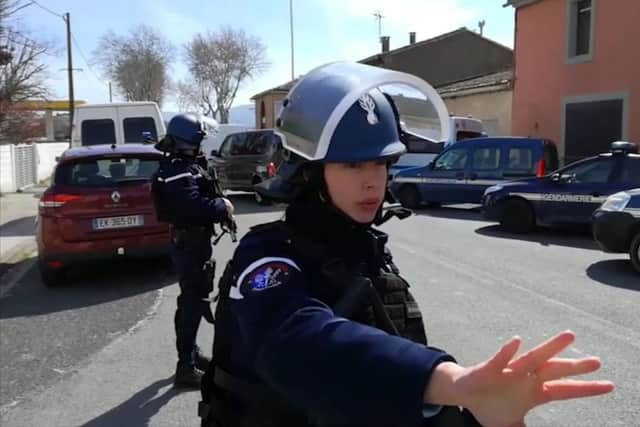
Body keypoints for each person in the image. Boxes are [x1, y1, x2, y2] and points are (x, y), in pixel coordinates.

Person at [198, 63, 614, 426]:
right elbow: (294, 342)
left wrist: (475, 413)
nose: (372, 180)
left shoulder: (366, 249)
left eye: (381, 162)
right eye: (353, 163)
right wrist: (453, 382)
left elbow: (389, 385)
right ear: (309, 171)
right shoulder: (268, 254)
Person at [151, 113, 235, 388]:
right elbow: (193, 207)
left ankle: (189, 353)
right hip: (189, 242)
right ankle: (184, 367)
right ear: (188, 141)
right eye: (199, 139)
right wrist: (222, 207)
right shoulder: (178, 170)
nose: (202, 144)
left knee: (193, 299)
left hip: (193, 241)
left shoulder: (184, 164)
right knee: (192, 302)